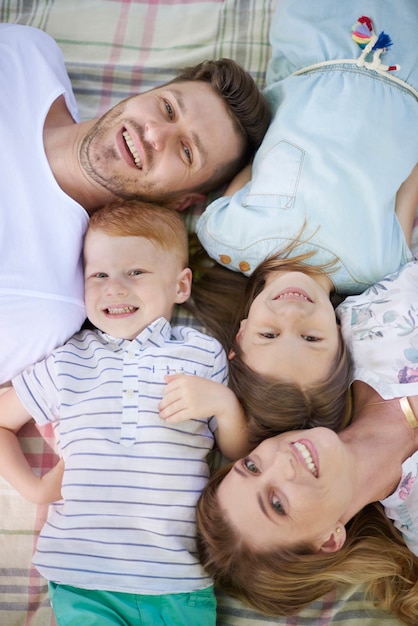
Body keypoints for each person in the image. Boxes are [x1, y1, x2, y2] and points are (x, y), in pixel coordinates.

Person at [0, 202, 249, 626]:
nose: (113, 288)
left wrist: (224, 404)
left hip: (177, 578)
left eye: (135, 272)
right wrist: (36, 489)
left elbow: (238, 452)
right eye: (98, 275)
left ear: (180, 286)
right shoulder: (67, 361)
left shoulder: (202, 352)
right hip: (83, 574)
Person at [0, 23, 270, 386]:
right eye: (168, 108)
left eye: (186, 151)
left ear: (182, 201)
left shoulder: (45, 304)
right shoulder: (27, 54)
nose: (155, 133)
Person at [195, 259, 418, 626]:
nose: (280, 462)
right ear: (329, 540)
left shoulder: (366, 325)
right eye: (278, 503)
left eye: (251, 466)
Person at [196, 2, 418, 294]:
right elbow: (410, 183)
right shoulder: (377, 274)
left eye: (269, 333)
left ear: (242, 330)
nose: (291, 316)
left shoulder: (226, 237)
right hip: (404, 72)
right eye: (311, 337)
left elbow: (254, 149)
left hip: (311, 56)